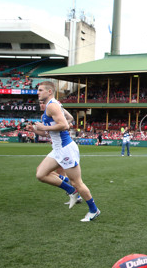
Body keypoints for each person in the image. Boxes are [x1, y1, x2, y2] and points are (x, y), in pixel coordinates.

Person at [26, 81, 100, 222]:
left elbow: (65, 125)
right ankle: (71, 191)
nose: (37, 92)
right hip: (58, 149)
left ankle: (93, 210)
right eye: (38, 90)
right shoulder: (50, 107)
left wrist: (44, 127)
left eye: (40, 90)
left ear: (49, 92)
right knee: (41, 174)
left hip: (66, 149)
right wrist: (36, 130)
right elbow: (49, 134)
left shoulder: (53, 106)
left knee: (77, 182)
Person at [38, 102, 83, 207]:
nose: (40, 105)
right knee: (54, 173)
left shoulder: (55, 107)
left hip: (64, 147)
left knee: (61, 173)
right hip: (57, 147)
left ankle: (75, 193)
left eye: (42, 103)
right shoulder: (43, 116)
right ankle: (76, 194)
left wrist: (63, 125)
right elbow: (46, 132)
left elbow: (70, 119)